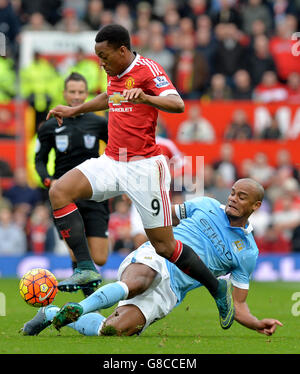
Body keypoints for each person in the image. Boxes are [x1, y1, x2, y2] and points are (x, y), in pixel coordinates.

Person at [45, 24, 233, 326]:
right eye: (98, 57)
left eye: (104, 56)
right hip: (113, 160)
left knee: (165, 247)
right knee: (59, 191)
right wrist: (73, 110)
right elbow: (110, 98)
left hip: (145, 167)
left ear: (122, 50)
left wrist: (146, 97)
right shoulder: (113, 72)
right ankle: (85, 267)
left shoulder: (148, 69)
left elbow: (177, 103)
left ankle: (216, 286)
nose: (101, 63)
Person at [21, 178, 283, 337]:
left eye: (242, 197)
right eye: (233, 192)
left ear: (255, 206)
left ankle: (50, 313)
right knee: (143, 278)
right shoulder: (206, 205)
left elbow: (237, 304)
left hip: (172, 290)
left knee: (112, 331)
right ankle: (81, 307)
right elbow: (164, 217)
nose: (233, 199)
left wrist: (256, 323)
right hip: (157, 256)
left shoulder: (248, 252)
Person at [35, 72, 109, 294]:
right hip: (65, 196)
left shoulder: (98, 122)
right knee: (77, 254)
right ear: (65, 93)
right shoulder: (49, 125)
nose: (76, 96)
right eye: (72, 92)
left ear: (87, 94)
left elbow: (117, 149)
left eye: (80, 92)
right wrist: (49, 181)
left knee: (100, 257)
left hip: (94, 192)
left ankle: (89, 293)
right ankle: (90, 305)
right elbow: (39, 160)